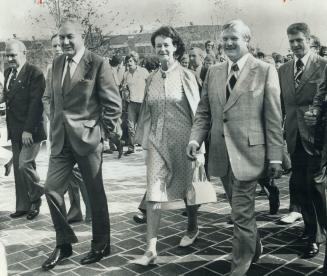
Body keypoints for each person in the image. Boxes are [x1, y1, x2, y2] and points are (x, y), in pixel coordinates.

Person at [186, 20, 283, 276]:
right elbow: (204, 112)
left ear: (247, 40)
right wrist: (195, 139)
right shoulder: (215, 71)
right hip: (221, 154)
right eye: (225, 38)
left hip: (251, 155)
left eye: (234, 39)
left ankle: (239, 265)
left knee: (240, 212)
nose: (228, 43)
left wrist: (275, 157)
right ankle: (254, 246)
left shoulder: (264, 70)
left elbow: (273, 118)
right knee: (239, 210)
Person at [41, 19, 122, 270]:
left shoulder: (98, 63)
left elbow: (112, 104)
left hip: (88, 140)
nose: (65, 42)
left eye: (69, 37)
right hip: (60, 142)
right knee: (51, 189)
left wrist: (104, 134)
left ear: (81, 36)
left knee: (95, 193)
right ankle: (64, 244)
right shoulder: (55, 63)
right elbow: (53, 100)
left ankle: (101, 244)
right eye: (61, 38)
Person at [131, 25, 202, 266]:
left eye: (166, 45)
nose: (162, 49)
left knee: (189, 188)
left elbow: (198, 113)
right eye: (158, 45)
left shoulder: (187, 76)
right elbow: (146, 113)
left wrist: (199, 146)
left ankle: (192, 227)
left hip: (184, 142)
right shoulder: (150, 78)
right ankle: (150, 248)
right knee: (153, 192)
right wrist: (143, 141)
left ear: (175, 48)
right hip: (156, 142)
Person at [279, 23, 327, 259]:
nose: (295, 45)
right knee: (300, 186)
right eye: (291, 41)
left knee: (315, 187)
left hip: (317, 138)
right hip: (293, 137)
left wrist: (318, 115)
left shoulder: (323, 66)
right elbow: (282, 105)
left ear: (310, 40)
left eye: (299, 40)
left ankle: (317, 235)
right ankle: (310, 229)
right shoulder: (283, 69)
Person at [42, 33, 92, 224]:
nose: (57, 49)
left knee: (79, 173)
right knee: (65, 175)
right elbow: (46, 98)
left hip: (79, 132)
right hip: (59, 130)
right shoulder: (52, 68)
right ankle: (75, 208)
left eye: (59, 45)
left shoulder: (82, 65)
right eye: (54, 46)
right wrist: (55, 117)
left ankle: (90, 210)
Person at [1, 40, 46, 220]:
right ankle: (23, 205)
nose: (10, 58)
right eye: (7, 55)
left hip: (31, 130)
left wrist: (28, 130)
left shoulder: (34, 73)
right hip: (15, 129)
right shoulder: (8, 72)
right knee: (20, 171)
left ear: (24, 53)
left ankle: (38, 196)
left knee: (24, 164)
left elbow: (36, 104)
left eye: (13, 55)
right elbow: (7, 97)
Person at [121, 51, 149, 155]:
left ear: (136, 61)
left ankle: (143, 145)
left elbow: (149, 84)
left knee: (142, 125)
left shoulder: (143, 71)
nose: (129, 63)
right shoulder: (126, 74)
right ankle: (131, 147)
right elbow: (125, 87)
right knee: (130, 125)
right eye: (127, 61)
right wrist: (125, 89)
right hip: (132, 103)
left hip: (143, 102)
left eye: (131, 61)